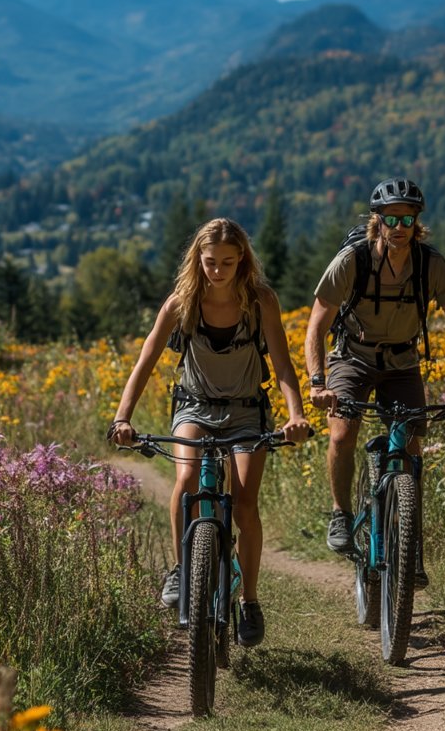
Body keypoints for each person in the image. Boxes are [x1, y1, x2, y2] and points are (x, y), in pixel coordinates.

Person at [110, 218, 311, 647]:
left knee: (244, 505)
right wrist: (122, 418)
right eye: (210, 263)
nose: (218, 271)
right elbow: (144, 361)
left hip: (245, 412)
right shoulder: (181, 304)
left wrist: (295, 416)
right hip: (194, 406)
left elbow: (282, 365)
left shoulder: (261, 301)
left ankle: (250, 602)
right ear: (197, 261)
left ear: (243, 262)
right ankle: (183, 570)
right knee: (185, 480)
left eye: (227, 263)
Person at [303, 177, 445, 586]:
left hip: (402, 361)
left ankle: (409, 548)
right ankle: (341, 514)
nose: (400, 226)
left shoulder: (431, 265)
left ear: (417, 221)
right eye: (391, 218)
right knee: (341, 433)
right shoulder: (353, 260)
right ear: (378, 221)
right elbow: (316, 324)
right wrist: (318, 382)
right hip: (352, 357)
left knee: (410, 445)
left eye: (408, 218)